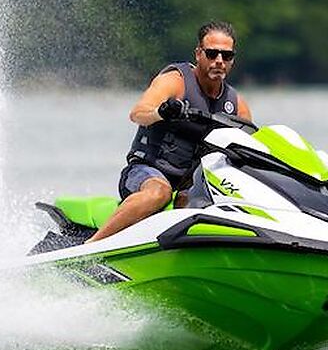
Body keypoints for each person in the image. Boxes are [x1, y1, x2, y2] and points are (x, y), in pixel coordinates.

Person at [86, 20, 252, 242]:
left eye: (226, 55)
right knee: (159, 193)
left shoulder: (237, 104)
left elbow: (251, 150)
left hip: (191, 186)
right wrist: (163, 112)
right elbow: (138, 113)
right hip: (145, 173)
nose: (219, 61)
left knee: (215, 202)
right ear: (198, 54)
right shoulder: (175, 82)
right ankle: (91, 248)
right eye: (212, 54)